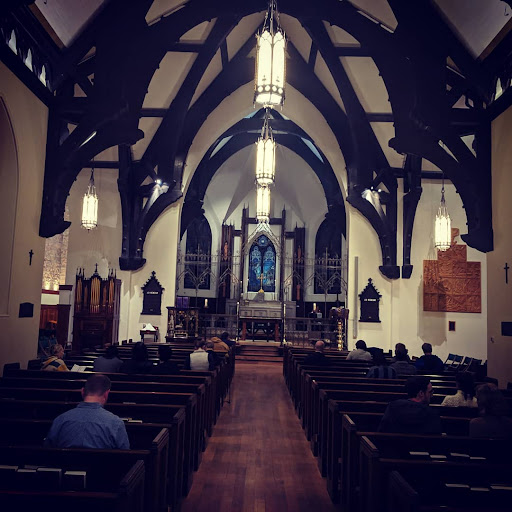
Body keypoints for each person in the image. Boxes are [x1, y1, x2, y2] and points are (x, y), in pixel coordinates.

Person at [44, 374, 129, 449]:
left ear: (82, 391)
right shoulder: (116, 423)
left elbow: (48, 449)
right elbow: (124, 455)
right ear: (106, 394)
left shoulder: (60, 420)